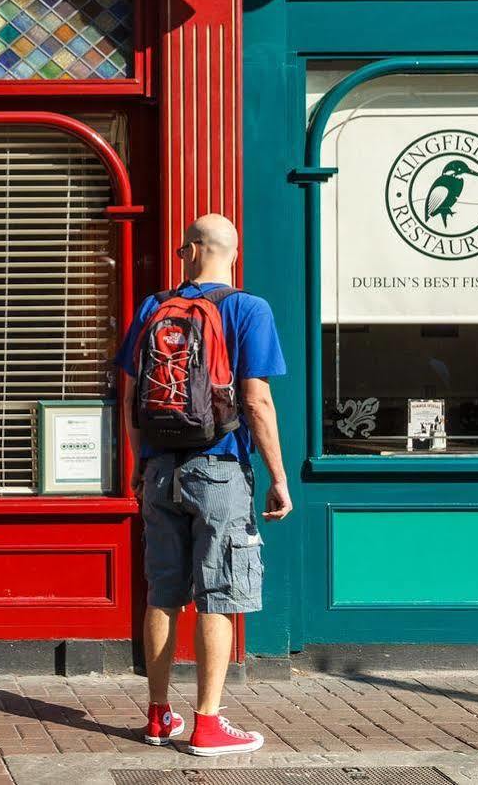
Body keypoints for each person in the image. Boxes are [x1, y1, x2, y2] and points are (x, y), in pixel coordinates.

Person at [118, 214, 289, 758]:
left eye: (181, 246)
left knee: (162, 592)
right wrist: (279, 478)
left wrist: (140, 463)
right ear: (231, 255)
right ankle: (208, 724)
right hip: (219, 469)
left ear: (192, 251)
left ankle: (158, 714)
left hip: (161, 467)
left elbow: (127, 397)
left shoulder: (151, 309)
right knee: (218, 593)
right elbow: (256, 400)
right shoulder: (247, 308)